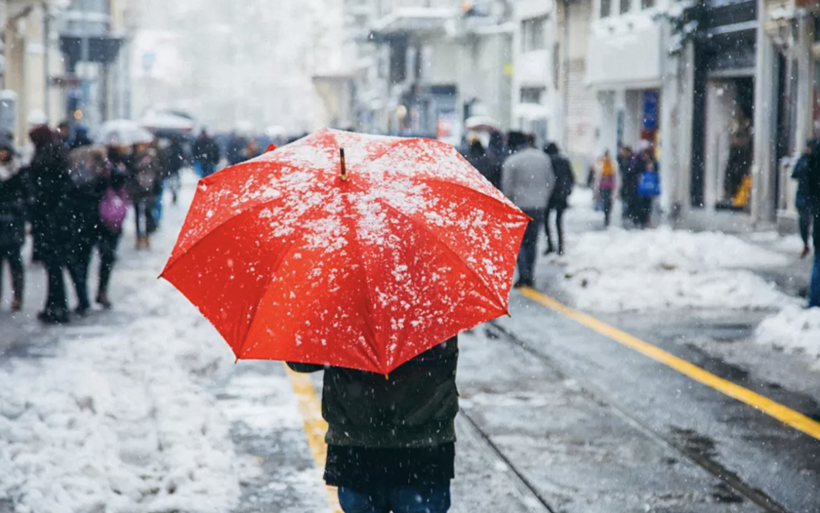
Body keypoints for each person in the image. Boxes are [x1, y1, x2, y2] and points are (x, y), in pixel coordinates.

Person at [287, 336, 459, 513]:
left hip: (356, 449)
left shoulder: (342, 312)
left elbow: (300, 360)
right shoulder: (438, 312)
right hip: (426, 448)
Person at [27, 125, 72, 324]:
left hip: (51, 219)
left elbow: (46, 188)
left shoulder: (47, 158)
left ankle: (57, 306)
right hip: (54, 219)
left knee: (53, 266)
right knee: (54, 266)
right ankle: (55, 305)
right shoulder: (56, 153)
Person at [501, 131, 555, 288]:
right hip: (539, 205)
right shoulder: (543, 159)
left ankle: (523, 274)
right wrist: (543, 197)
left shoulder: (512, 161)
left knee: (519, 243)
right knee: (533, 241)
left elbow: (507, 187)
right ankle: (530, 273)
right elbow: (550, 181)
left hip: (519, 206)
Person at [0, 138, 26, 311]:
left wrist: (17, 207)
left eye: (4, 150)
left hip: (13, 222)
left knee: (15, 261)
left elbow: (25, 194)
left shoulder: (18, 169)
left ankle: (17, 296)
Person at [129, 141, 163, 249]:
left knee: (148, 214)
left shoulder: (152, 156)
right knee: (137, 215)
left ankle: (147, 236)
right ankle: (138, 237)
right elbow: (130, 172)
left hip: (149, 190)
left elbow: (158, 171)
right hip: (136, 190)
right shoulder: (132, 156)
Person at [543, 142, 573, 255]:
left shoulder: (547, 161)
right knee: (559, 221)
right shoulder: (564, 161)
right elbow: (570, 177)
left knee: (546, 221)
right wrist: (567, 191)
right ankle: (560, 247)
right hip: (561, 194)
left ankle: (550, 245)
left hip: (549, 194)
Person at [793, 142, 814, 259]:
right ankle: (806, 244)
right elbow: (794, 174)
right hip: (803, 196)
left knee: (813, 223)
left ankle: (812, 246)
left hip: (812, 197)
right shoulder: (803, 160)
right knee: (803, 222)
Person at [599, 150, 617, 227]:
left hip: (610, 186)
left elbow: (616, 177)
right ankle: (606, 216)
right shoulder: (601, 165)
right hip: (603, 186)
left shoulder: (612, 165)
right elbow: (597, 177)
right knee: (605, 201)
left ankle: (607, 215)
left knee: (608, 202)